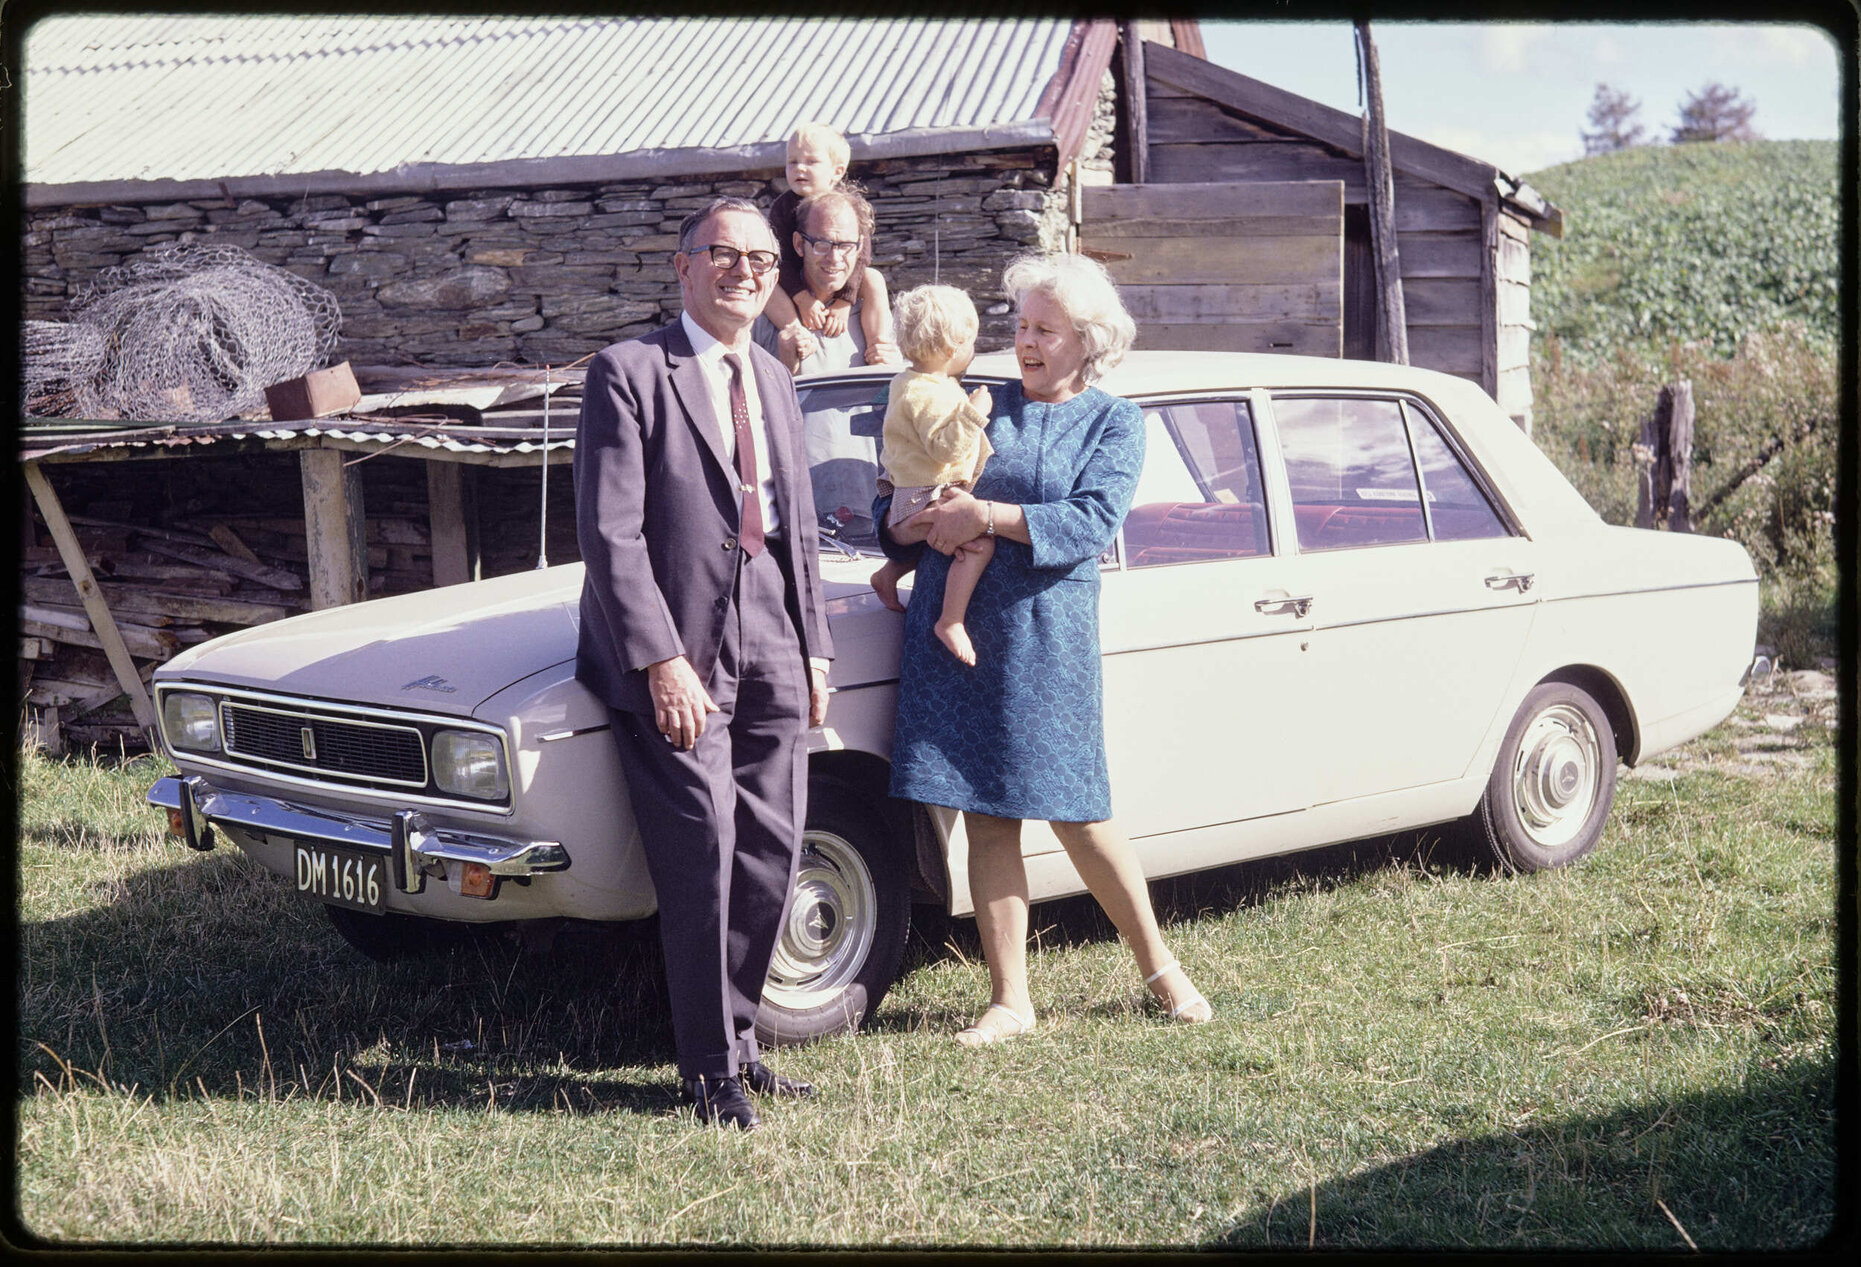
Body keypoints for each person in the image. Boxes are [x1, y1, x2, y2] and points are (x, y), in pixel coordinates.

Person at [875, 251, 1213, 1046]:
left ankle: (1159, 967)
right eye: (1020, 325)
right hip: (951, 631)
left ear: (1084, 340)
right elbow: (897, 495)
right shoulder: (976, 403)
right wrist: (909, 519)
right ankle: (1009, 999)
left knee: (1077, 812)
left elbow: (1090, 523)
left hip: (1041, 634)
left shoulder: (1114, 422)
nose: (1024, 341)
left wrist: (986, 519)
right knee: (987, 813)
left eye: (1043, 329)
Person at [573, 195, 833, 1129]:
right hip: (677, 643)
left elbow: (796, 526)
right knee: (703, 847)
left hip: (771, 629)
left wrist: (813, 649)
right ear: (682, 267)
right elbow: (610, 535)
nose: (744, 273)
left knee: (773, 841)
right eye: (723, 255)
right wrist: (659, 660)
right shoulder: (630, 372)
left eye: (762, 261)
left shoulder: (771, 376)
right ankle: (707, 1067)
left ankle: (744, 1037)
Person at [868, 284, 995, 665]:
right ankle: (951, 621)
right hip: (927, 492)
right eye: (971, 341)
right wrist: (974, 413)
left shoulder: (914, 383)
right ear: (954, 346)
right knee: (977, 542)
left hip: (916, 491)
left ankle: (890, 573)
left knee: (936, 542)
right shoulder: (930, 394)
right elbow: (946, 448)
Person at [763, 122, 893, 366]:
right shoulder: (782, 209)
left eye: (811, 162)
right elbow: (779, 262)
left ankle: (879, 346)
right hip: (790, 282)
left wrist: (845, 301)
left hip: (841, 287)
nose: (799, 168)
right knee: (765, 281)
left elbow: (861, 259)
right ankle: (795, 331)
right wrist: (802, 299)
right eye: (792, 162)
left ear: (837, 172)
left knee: (873, 278)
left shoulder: (848, 209)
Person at [755, 187, 900, 374]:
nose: (835, 258)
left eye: (846, 246)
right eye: (822, 245)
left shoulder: (872, 308)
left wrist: (892, 369)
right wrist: (787, 368)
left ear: (860, 246)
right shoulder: (764, 312)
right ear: (799, 244)